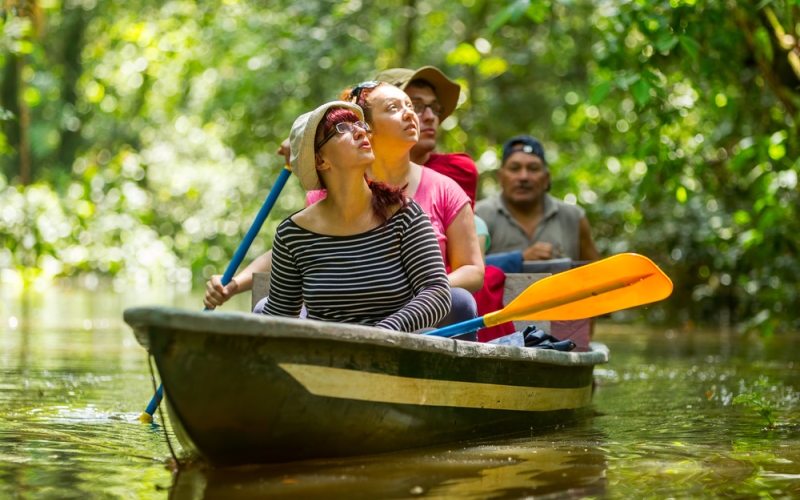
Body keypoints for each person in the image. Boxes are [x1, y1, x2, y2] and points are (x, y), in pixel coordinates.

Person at [259, 101, 451, 332]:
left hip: (399, 355)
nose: (360, 131)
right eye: (341, 129)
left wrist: (383, 333)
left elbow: (437, 292)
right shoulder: (293, 234)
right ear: (320, 160)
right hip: (328, 359)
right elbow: (280, 317)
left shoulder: (404, 214)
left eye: (359, 124)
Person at [310, 81, 484, 329]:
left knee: (459, 301)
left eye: (410, 106)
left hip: (420, 314)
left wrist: (418, 293)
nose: (410, 114)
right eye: (393, 108)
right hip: (345, 312)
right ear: (365, 128)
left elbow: (472, 270)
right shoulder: (329, 193)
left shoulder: (445, 189)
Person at [374, 66, 490, 253]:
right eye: (415, 106)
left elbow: (457, 260)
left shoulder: (456, 170)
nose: (430, 117)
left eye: (434, 108)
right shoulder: (354, 172)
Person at [475, 135, 600, 271]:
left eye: (533, 169)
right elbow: (463, 269)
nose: (524, 177)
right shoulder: (479, 216)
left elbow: (597, 273)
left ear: (546, 179)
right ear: (501, 178)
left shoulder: (573, 218)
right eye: (514, 168)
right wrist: (519, 258)